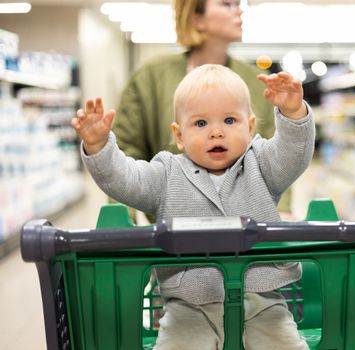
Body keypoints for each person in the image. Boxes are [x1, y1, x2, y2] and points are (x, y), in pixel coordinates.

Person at [72, 64, 314, 350]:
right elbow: (125, 180)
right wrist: (100, 147)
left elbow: (293, 155)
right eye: (200, 124)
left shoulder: (261, 164)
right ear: (179, 135)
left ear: (249, 128)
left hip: (262, 299)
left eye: (229, 120)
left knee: (284, 345)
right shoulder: (166, 174)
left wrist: (293, 113)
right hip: (187, 305)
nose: (216, 133)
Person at [113, 0, 293, 216]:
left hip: (250, 234)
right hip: (176, 234)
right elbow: (127, 150)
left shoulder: (256, 81)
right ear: (197, 18)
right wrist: (122, 219)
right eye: (227, 4)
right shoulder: (150, 77)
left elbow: (277, 153)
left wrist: (282, 212)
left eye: (238, 4)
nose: (239, 10)